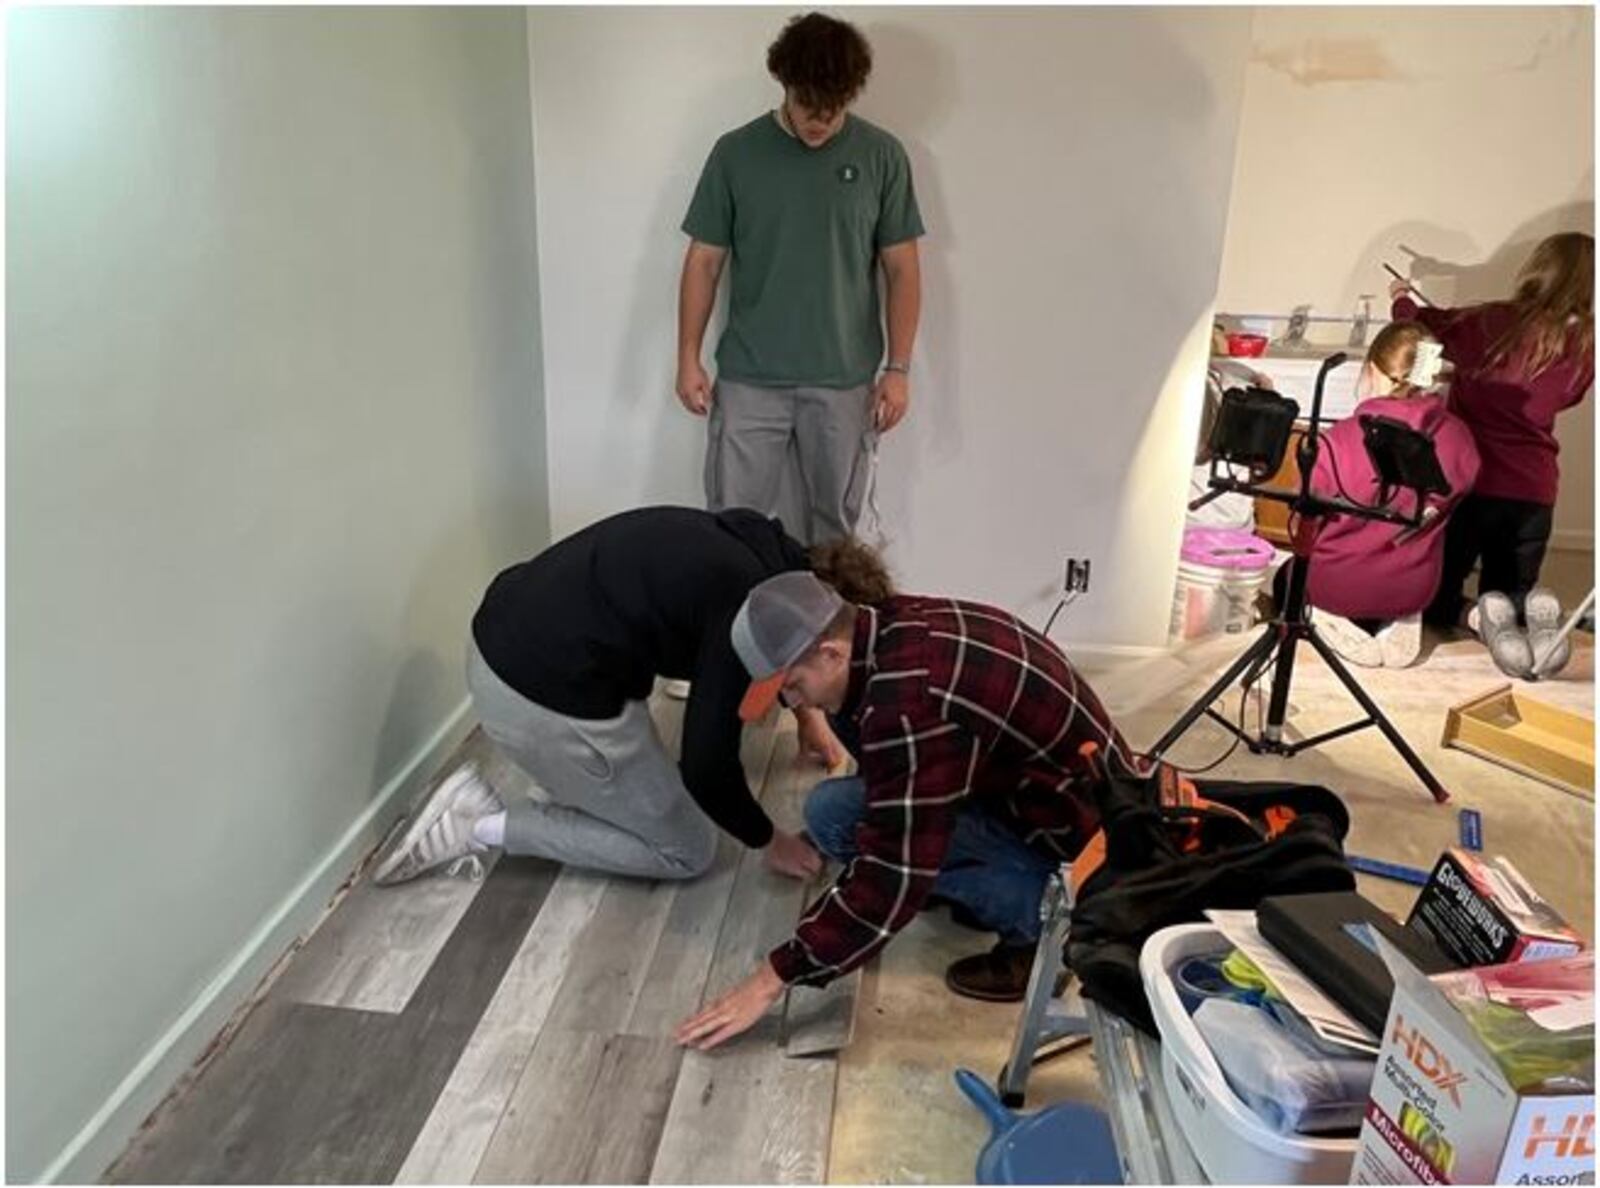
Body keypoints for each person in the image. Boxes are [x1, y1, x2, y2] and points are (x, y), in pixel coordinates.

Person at [675, 572, 1133, 1051]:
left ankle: (1041, 930)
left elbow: (890, 876)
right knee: (833, 813)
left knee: (881, 860)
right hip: (1030, 794)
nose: (794, 703)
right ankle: (977, 879)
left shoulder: (908, 702)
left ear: (831, 653)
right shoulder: (889, 624)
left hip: (1082, 850)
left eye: (792, 686)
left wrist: (773, 976)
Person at [371, 508, 893, 887]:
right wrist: (769, 840)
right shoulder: (739, 613)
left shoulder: (761, 548)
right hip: (529, 690)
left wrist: (808, 717)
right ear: (826, 641)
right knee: (689, 850)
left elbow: (785, 650)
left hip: (513, 633)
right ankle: (479, 823)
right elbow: (708, 769)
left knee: (649, 790)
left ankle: (576, 785)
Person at [676, 12, 924, 546]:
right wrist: (687, 357)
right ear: (785, 85)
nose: (820, 120)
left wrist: (898, 367)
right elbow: (703, 261)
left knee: (834, 531)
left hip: (843, 379)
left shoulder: (882, 156)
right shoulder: (736, 154)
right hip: (748, 377)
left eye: (833, 109)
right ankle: (733, 629)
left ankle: (829, 629)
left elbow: (902, 267)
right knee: (730, 528)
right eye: (809, 105)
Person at [1394, 232, 1593, 678]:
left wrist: (1402, 297)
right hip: (1534, 490)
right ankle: (1530, 620)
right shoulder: (1586, 347)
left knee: (1437, 593)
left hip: (1471, 484)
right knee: (1511, 591)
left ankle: (1475, 617)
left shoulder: (1487, 320)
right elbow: (1563, 397)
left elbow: (1417, 328)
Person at [1296, 321, 1480, 669]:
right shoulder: (1460, 438)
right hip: (1413, 586)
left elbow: (1307, 515)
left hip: (1337, 584)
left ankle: (1329, 617)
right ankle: (1401, 618)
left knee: (1288, 575)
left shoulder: (1339, 438)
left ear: (1372, 370)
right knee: (1408, 569)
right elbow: (1454, 496)